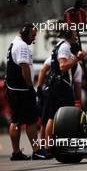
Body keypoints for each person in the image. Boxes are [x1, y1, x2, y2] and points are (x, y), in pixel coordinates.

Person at [38, 28, 86, 155]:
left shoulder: (60, 46)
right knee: (56, 117)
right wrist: (77, 58)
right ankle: (50, 147)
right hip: (60, 87)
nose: (77, 35)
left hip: (56, 86)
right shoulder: (65, 47)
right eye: (75, 33)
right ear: (69, 34)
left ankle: (49, 147)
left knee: (51, 117)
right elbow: (63, 66)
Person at [5, 23, 46, 160]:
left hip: (13, 89)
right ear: (24, 32)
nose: (33, 39)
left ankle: (16, 152)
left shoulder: (14, 43)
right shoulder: (22, 46)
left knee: (15, 121)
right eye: (32, 35)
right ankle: (37, 150)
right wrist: (30, 87)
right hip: (22, 90)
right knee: (31, 121)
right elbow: (25, 67)